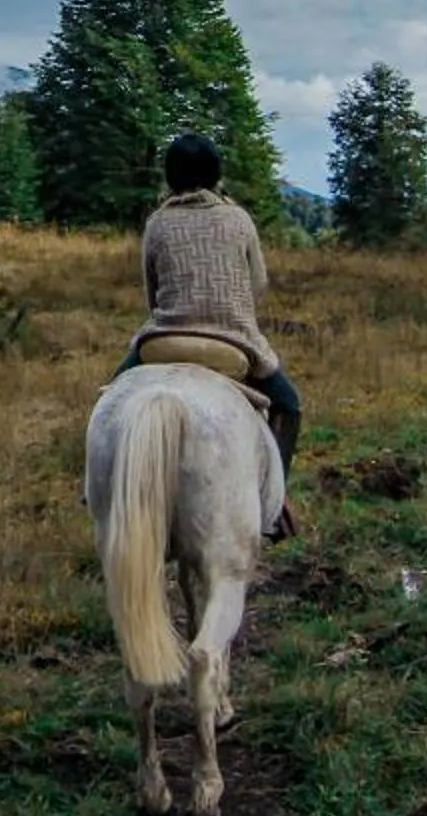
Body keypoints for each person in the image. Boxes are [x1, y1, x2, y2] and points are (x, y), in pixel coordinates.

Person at [119, 131, 301, 541]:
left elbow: (151, 293)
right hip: (232, 345)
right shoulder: (239, 219)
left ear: (170, 177)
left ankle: (98, 490)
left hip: (163, 343)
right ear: (217, 174)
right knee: (289, 405)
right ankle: (272, 503)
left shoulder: (157, 222)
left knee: (110, 399)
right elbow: (257, 286)